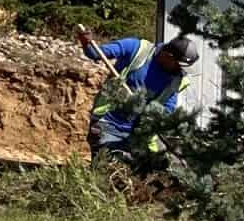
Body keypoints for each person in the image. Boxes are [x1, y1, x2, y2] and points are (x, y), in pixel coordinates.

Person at [76, 28, 200, 160]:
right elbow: (96, 52)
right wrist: (86, 42)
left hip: (136, 134)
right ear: (168, 56)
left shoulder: (176, 78)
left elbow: (167, 109)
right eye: (178, 65)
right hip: (107, 123)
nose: (180, 70)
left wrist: (152, 117)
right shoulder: (137, 49)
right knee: (108, 167)